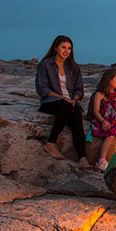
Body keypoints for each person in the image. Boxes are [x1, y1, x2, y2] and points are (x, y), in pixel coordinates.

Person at [35, 35, 91, 169]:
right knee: (67, 107)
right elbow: (42, 88)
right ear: (56, 48)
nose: (66, 51)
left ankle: (82, 158)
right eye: (63, 48)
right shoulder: (46, 64)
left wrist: (74, 100)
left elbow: (79, 89)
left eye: (69, 48)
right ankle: (51, 143)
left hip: (70, 102)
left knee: (76, 115)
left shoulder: (73, 67)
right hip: (51, 101)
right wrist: (62, 98)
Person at [90, 68, 116, 172]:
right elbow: (96, 111)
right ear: (109, 80)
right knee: (111, 134)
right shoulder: (100, 95)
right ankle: (101, 161)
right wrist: (103, 121)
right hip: (104, 121)